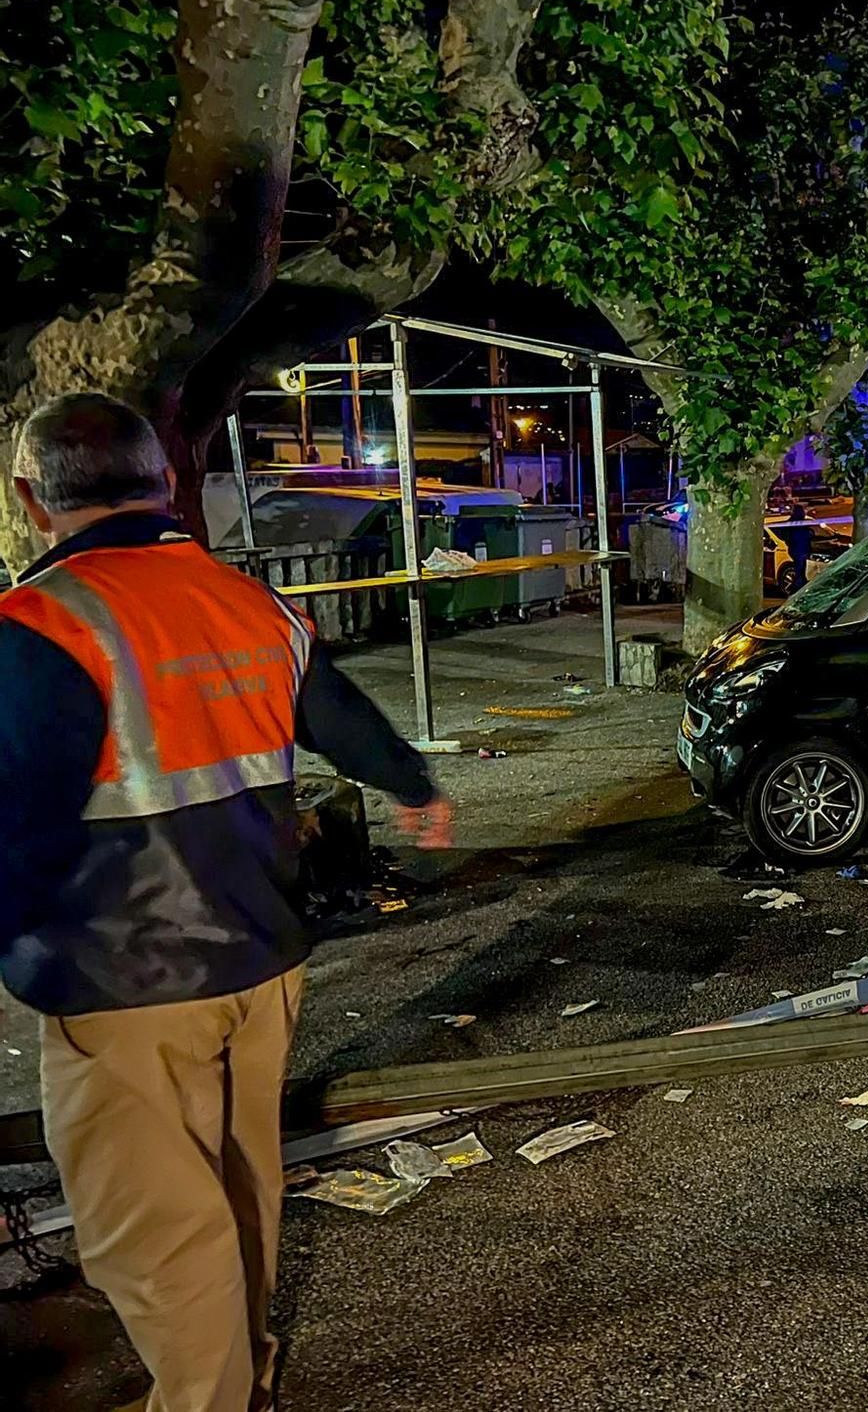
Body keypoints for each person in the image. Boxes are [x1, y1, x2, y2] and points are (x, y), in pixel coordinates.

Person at [0, 394, 451, 1412]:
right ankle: (243, 1369)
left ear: (31, 499)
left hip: (123, 978)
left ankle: (211, 1399)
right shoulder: (252, 604)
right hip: (261, 958)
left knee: (155, 1233)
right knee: (242, 1188)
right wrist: (415, 785)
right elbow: (337, 714)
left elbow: (16, 822)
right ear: (167, 483)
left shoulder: (41, 626)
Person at [782, 500, 814, 594]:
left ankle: (798, 588)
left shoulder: (792, 522)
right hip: (801, 549)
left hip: (796, 549)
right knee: (801, 570)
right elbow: (807, 534)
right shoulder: (801, 523)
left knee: (800, 569)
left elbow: (786, 535)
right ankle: (798, 589)